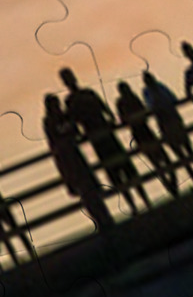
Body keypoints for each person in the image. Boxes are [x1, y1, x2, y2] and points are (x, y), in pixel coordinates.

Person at [59, 68, 149, 214]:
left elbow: (103, 108)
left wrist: (110, 119)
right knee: (116, 174)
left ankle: (144, 201)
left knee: (126, 169)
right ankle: (133, 205)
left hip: (105, 134)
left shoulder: (85, 94)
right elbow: (73, 121)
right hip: (98, 139)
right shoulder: (72, 101)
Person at [43, 94, 114, 232]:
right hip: (68, 161)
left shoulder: (63, 118)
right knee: (85, 193)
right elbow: (59, 137)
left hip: (76, 158)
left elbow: (75, 131)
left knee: (91, 189)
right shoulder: (51, 121)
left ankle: (105, 218)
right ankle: (101, 220)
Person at [142, 71, 193, 185]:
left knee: (189, 151)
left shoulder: (157, 88)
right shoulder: (149, 92)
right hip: (166, 122)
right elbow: (156, 104)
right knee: (183, 155)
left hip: (172, 120)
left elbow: (170, 99)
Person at [115, 81, 178, 197]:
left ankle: (172, 186)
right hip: (142, 134)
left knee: (163, 161)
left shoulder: (129, 100)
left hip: (145, 133)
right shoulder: (124, 102)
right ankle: (171, 187)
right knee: (160, 163)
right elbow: (127, 118)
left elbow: (133, 115)